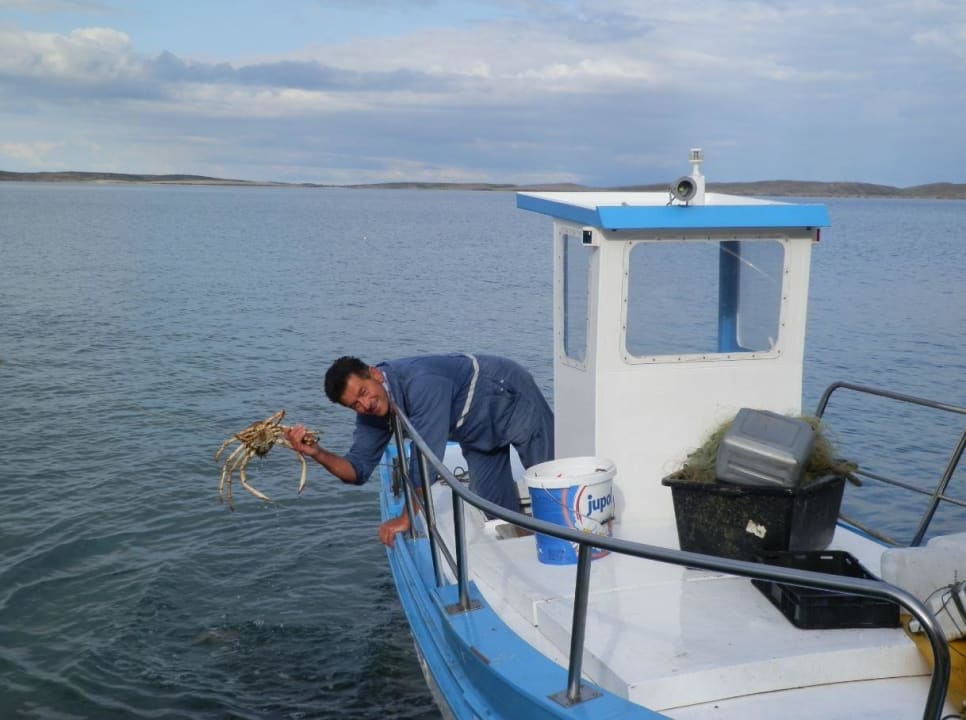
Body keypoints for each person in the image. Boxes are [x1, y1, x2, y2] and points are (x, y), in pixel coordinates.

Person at [285, 353, 554, 547]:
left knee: (550, 486)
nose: (365, 405)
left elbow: (425, 459)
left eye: (364, 392)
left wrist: (406, 518)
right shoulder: (370, 412)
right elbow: (357, 471)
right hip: (474, 430)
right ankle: (531, 550)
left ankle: (570, 551)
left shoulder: (422, 382)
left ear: (374, 374)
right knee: (496, 514)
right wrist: (317, 453)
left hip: (509, 393)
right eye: (355, 404)